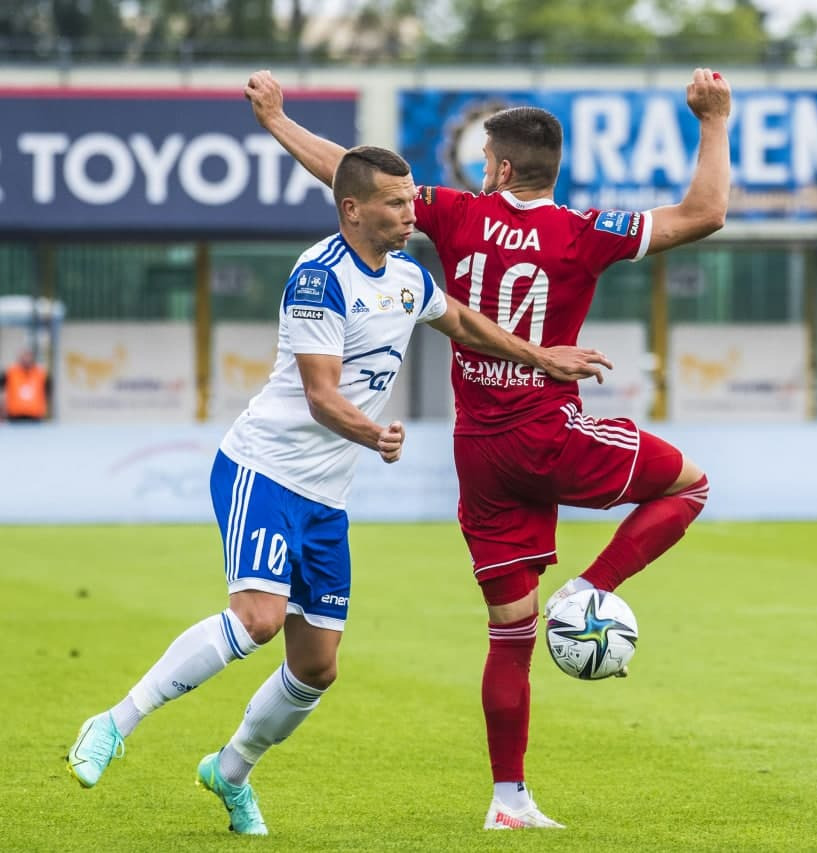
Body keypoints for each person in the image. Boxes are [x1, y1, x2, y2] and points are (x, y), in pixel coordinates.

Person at [64, 145, 611, 836]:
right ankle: (115, 722)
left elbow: (463, 322)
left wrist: (541, 356)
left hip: (326, 497)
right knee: (258, 619)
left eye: (411, 200)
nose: (411, 213)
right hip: (264, 470)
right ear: (352, 209)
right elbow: (322, 396)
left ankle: (230, 770)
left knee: (316, 668)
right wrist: (374, 433)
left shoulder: (408, 277)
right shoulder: (319, 279)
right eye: (395, 203)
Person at [245, 68, 731, 829]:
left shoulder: (457, 214)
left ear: (501, 168)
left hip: (478, 451)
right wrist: (713, 119)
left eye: (483, 161)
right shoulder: (586, 231)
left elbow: (350, 175)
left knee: (510, 634)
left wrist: (277, 120)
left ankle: (509, 799)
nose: (478, 171)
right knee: (691, 485)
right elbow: (705, 213)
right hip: (550, 434)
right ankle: (588, 591)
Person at [0, 346, 49, 422]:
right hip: (14, 415)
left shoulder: (40, 373)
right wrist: (1, 407)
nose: (26, 359)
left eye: (28, 356)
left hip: (35, 415)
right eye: (24, 356)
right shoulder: (10, 372)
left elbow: (48, 392)